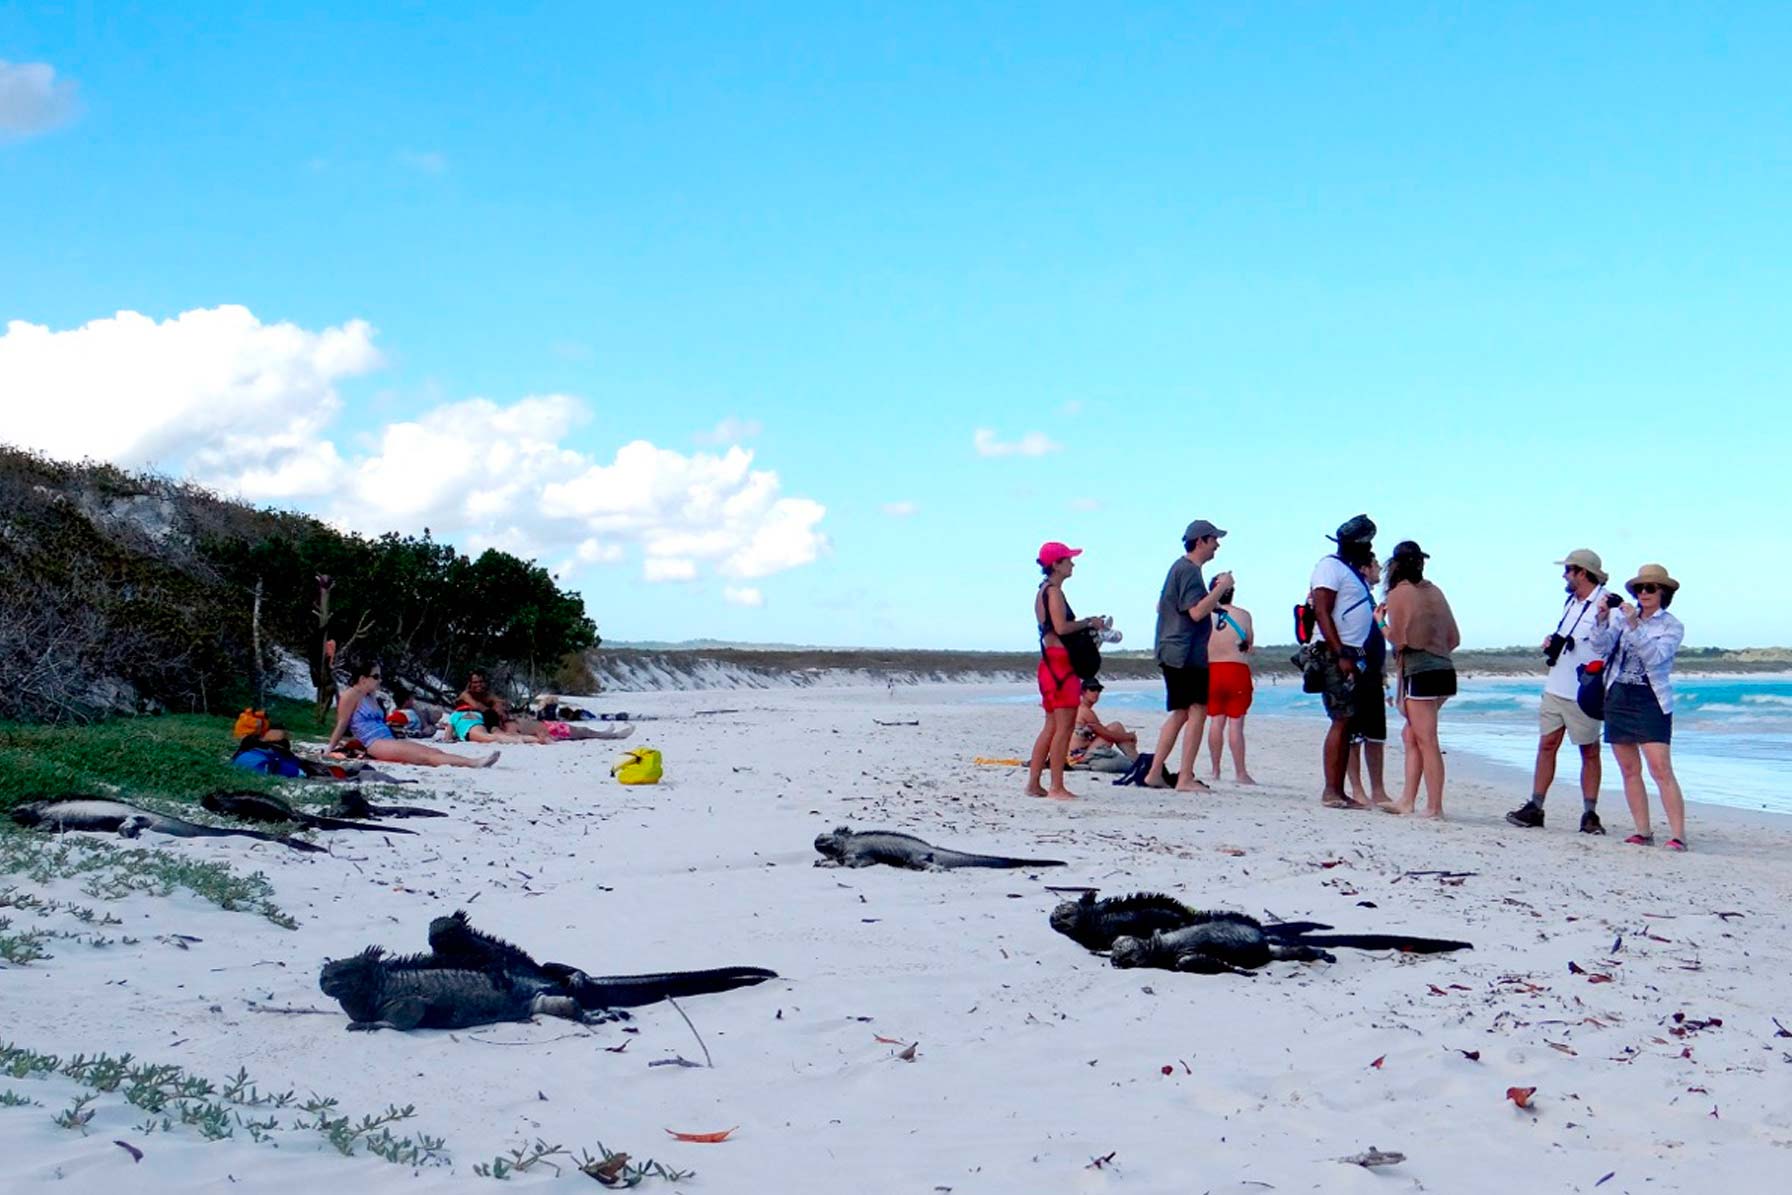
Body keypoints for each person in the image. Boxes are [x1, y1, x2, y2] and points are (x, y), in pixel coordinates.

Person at [1505, 550, 1611, 834]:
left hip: (1585, 688)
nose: (1564, 576)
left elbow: (1607, 645)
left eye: (1568, 570)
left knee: (1589, 750)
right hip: (1556, 683)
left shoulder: (1606, 603)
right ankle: (1535, 807)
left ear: (1582, 572)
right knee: (1547, 744)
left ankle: (1590, 813)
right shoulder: (1571, 602)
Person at [1589, 564, 1688, 850]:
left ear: (1663, 593)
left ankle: (1678, 834)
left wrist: (1634, 626)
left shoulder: (1671, 625)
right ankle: (1642, 831)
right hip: (1618, 695)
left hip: (1651, 699)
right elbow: (1600, 647)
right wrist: (1603, 619)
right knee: (1629, 769)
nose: (1643, 594)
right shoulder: (1622, 618)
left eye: (1650, 588)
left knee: (1660, 768)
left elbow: (1655, 658)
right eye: (1639, 589)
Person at [1146, 520, 1234, 793]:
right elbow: (1195, 612)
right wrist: (1221, 588)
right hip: (1184, 652)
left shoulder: (1178, 569)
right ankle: (1185, 777)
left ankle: (1154, 773)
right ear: (1200, 541)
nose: (1217, 545)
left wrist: (1212, 603)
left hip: (1174, 649)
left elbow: (1164, 605)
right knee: (1198, 711)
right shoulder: (1189, 570)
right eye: (1213, 539)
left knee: (1182, 712)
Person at [1309, 514, 1384, 809]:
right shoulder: (1330, 568)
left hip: (1348, 653)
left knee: (1347, 719)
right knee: (1341, 720)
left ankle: (1338, 791)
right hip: (1335, 653)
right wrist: (1340, 652)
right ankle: (1332, 791)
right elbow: (1323, 612)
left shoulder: (1346, 570)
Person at [1383, 541, 1460, 818]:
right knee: (1411, 734)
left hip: (1421, 670)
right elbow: (1453, 637)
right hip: (1444, 669)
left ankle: (1434, 806)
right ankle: (1407, 799)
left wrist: (1381, 624)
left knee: (1426, 738)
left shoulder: (1399, 593)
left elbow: (1402, 639)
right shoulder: (1434, 591)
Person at [1027, 542, 1106, 799]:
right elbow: (1061, 628)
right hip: (1061, 665)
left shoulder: (1042, 591)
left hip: (1049, 664)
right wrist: (1089, 623)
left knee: (1051, 726)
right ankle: (1056, 786)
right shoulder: (1055, 592)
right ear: (1056, 564)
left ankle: (1034, 783)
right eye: (1068, 560)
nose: (1072, 564)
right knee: (1063, 727)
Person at [327, 658, 499, 768]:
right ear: (363, 678)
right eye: (376, 676)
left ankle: (471, 762)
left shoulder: (369, 694)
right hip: (375, 742)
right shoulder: (350, 696)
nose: (380, 680)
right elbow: (342, 724)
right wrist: (329, 749)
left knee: (432, 752)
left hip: (386, 739)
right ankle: (472, 763)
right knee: (426, 757)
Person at [1343, 552, 1393, 808]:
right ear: (1364, 568)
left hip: (1373, 671)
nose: (1379, 571)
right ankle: (1357, 789)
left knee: (1375, 735)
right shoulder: (1353, 595)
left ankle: (1378, 790)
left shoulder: (1368, 598)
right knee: (1353, 735)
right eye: (1375, 566)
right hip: (1356, 669)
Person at [1204, 584, 1256, 784]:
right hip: (1236, 670)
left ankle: (1215, 770)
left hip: (1212, 669)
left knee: (1216, 721)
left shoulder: (1206, 615)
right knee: (1236, 723)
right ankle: (1240, 772)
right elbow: (1249, 643)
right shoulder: (1243, 615)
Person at [1071, 678, 1138, 773]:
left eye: (1099, 690)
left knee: (1116, 728)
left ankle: (1136, 760)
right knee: (1116, 726)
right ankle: (1137, 760)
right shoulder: (1085, 711)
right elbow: (1107, 734)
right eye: (1092, 689)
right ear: (1083, 692)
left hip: (1076, 754)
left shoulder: (1078, 708)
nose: (1096, 693)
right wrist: (1129, 736)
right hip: (1077, 756)